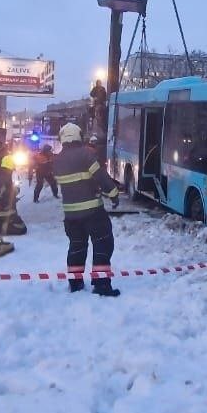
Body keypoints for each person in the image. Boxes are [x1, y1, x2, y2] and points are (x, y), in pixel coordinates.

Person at [54, 122, 122, 296]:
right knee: (103, 244)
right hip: (93, 213)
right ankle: (101, 285)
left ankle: (75, 283)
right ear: (78, 135)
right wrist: (113, 194)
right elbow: (101, 177)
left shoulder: (58, 160)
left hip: (70, 215)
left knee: (76, 247)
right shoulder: (86, 155)